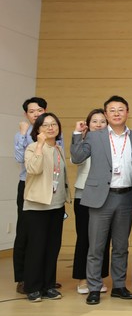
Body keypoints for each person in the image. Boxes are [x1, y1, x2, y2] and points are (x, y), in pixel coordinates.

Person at [71, 97, 132, 305]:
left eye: (120, 109)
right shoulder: (94, 136)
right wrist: (77, 135)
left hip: (126, 196)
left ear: (127, 112)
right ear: (106, 114)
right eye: (112, 110)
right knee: (96, 246)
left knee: (121, 246)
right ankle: (94, 287)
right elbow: (77, 157)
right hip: (101, 197)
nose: (116, 113)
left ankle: (119, 286)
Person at [23, 112, 68, 302]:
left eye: (54, 124)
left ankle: (49, 285)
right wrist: (40, 145)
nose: (50, 128)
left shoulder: (58, 148)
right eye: (45, 125)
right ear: (38, 130)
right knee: (36, 247)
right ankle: (32, 287)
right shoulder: (33, 147)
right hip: (37, 205)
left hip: (56, 205)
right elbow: (33, 169)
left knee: (52, 248)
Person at [13, 97, 51, 294]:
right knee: (25, 233)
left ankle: (42, 278)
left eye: (40, 110)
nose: (36, 114)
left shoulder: (53, 131)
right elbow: (21, 159)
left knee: (45, 234)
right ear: (26, 114)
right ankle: (22, 278)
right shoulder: (23, 134)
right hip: (28, 186)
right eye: (31, 111)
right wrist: (23, 134)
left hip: (48, 187)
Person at [70, 109, 110, 296]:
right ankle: (82, 279)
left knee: (103, 239)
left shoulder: (111, 143)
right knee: (84, 238)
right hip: (84, 196)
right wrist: (77, 134)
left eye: (102, 121)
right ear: (88, 124)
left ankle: (98, 277)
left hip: (105, 196)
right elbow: (75, 159)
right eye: (94, 121)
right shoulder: (83, 142)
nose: (99, 124)